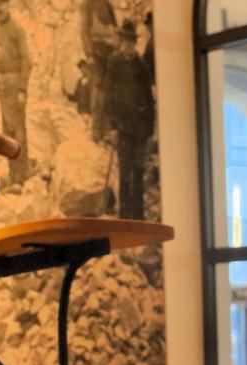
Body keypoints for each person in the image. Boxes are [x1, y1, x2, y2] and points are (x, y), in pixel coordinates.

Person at [107, 20, 154, 220]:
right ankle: (125, 216)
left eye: (131, 42)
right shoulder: (114, 63)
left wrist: (150, 129)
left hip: (140, 128)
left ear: (135, 43)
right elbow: (109, 96)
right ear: (121, 42)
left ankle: (138, 215)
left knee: (138, 170)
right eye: (125, 41)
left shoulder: (142, 67)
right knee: (125, 172)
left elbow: (149, 99)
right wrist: (112, 126)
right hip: (123, 126)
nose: (128, 45)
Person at [0, 0, 30, 186]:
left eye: (2, 4)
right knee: (7, 132)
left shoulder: (17, 30)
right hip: (2, 87)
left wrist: (22, 89)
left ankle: (22, 175)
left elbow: (26, 61)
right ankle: (13, 174)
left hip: (14, 85)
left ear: (8, 5)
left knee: (18, 130)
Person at [82, 0, 118, 143]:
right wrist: (89, 54)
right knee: (98, 91)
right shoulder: (88, 5)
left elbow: (115, 28)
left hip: (110, 52)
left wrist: (115, 44)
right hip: (97, 53)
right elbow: (84, 31)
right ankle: (97, 130)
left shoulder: (108, 5)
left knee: (111, 90)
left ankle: (109, 128)